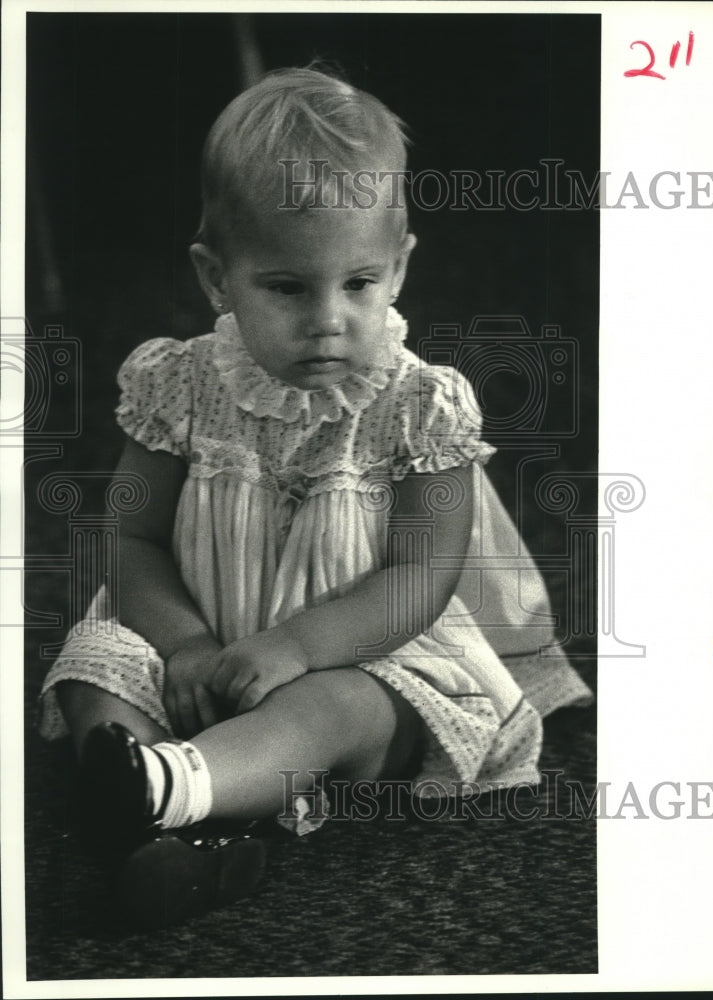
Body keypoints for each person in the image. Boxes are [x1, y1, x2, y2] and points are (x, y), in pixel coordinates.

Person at [38, 66, 592, 928]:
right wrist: (182, 644)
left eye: (358, 284)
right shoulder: (181, 384)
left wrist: (298, 644)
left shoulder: (419, 406)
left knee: (334, 708)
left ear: (399, 269)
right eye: (288, 288)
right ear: (217, 279)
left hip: (358, 653)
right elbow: (131, 536)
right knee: (95, 655)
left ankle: (177, 784)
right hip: (204, 642)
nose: (328, 318)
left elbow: (421, 577)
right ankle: (159, 810)